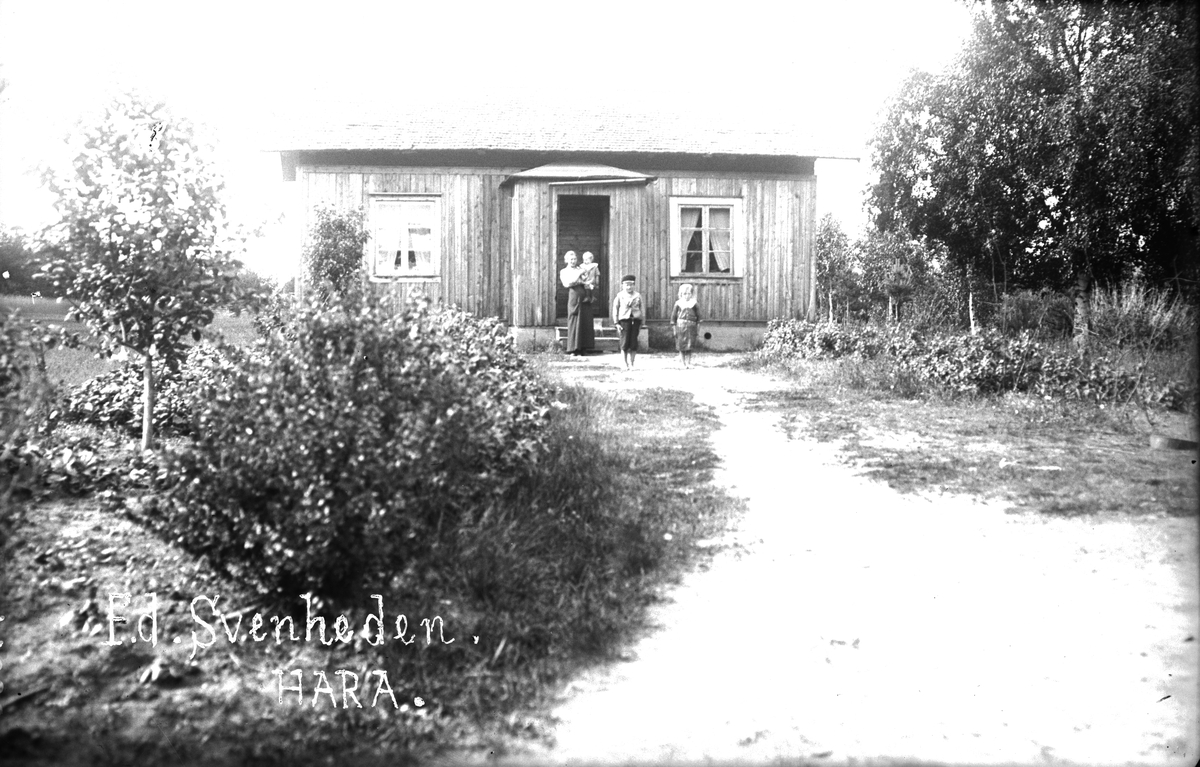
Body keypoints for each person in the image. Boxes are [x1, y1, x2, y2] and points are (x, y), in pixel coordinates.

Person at [559, 251, 594, 355]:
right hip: (574, 296)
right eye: (571, 259)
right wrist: (579, 274)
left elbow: (586, 280)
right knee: (574, 319)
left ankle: (584, 348)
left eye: (574, 259)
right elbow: (567, 283)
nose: (573, 261)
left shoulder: (580, 268)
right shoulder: (564, 271)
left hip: (584, 296)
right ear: (566, 260)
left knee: (585, 320)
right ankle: (573, 349)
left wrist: (587, 282)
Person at [610, 274, 643, 370]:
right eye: (627, 285)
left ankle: (632, 363)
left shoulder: (637, 296)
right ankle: (624, 363)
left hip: (635, 321)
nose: (629, 287)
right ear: (622, 285)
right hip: (624, 322)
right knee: (624, 343)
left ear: (634, 285)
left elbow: (642, 308)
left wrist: (642, 321)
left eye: (631, 285)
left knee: (633, 343)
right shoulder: (620, 296)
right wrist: (616, 323)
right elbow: (615, 309)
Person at [671, 283, 701, 368]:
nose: (687, 296)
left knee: (690, 345)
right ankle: (683, 363)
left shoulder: (694, 303)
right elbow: (673, 318)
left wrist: (698, 329)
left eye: (689, 293)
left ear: (691, 294)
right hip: (680, 327)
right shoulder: (678, 303)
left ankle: (688, 363)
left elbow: (699, 318)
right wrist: (674, 329)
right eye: (685, 294)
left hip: (691, 327)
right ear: (681, 294)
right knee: (681, 345)